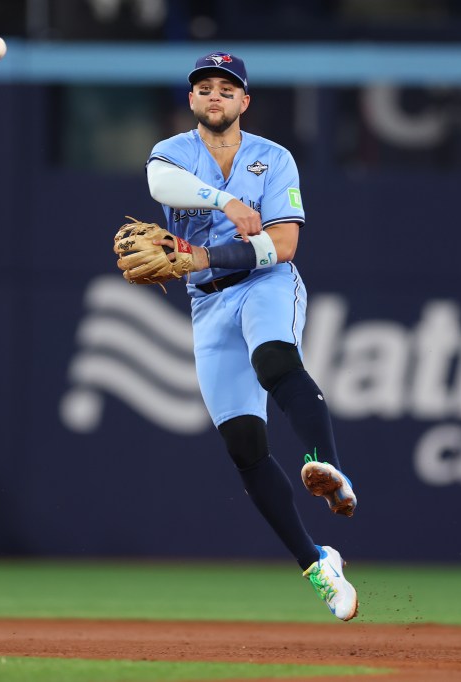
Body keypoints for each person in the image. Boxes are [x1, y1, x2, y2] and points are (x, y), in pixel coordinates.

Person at [144, 52, 359, 621]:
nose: (215, 96)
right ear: (192, 100)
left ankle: (327, 465)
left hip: (266, 284)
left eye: (226, 89)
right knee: (243, 446)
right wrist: (225, 201)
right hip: (207, 303)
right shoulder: (174, 153)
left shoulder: (274, 158)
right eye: (204, 88)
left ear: (244, 102)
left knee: (274, 361)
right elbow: (159, 181)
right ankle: (317, 563)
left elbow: (284, 246)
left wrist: (205, 254)